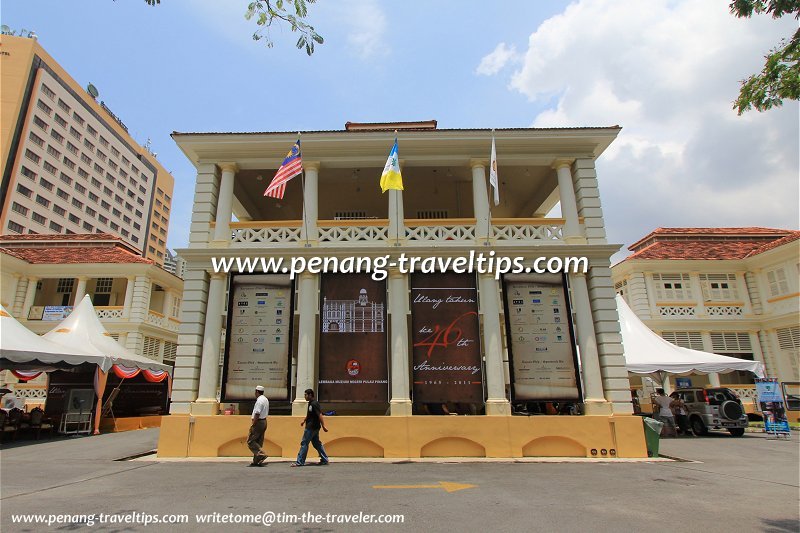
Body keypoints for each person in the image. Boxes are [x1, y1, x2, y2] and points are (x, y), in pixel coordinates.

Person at [290, 389, 329, 467]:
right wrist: (304, 421)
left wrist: (324, 425)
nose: (305, 396)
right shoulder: (310, 403)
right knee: (316, 443)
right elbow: (309, 414)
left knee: (304, 443)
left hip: (311, 427)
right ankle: (324, 459)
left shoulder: (315, 404)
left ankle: (300, 462)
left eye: (306, 395)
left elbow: (320, 415)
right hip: (313, 427)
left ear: (310, 395)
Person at [247, 385, 269, 467]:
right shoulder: (265, 399)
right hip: (264, 421)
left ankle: (261, 454)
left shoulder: (260, 401)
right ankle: (256, 461)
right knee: (258, 442)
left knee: (251, 441)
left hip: (259, 422)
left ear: (256, 391)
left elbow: (257, 413)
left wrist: (254, 423)